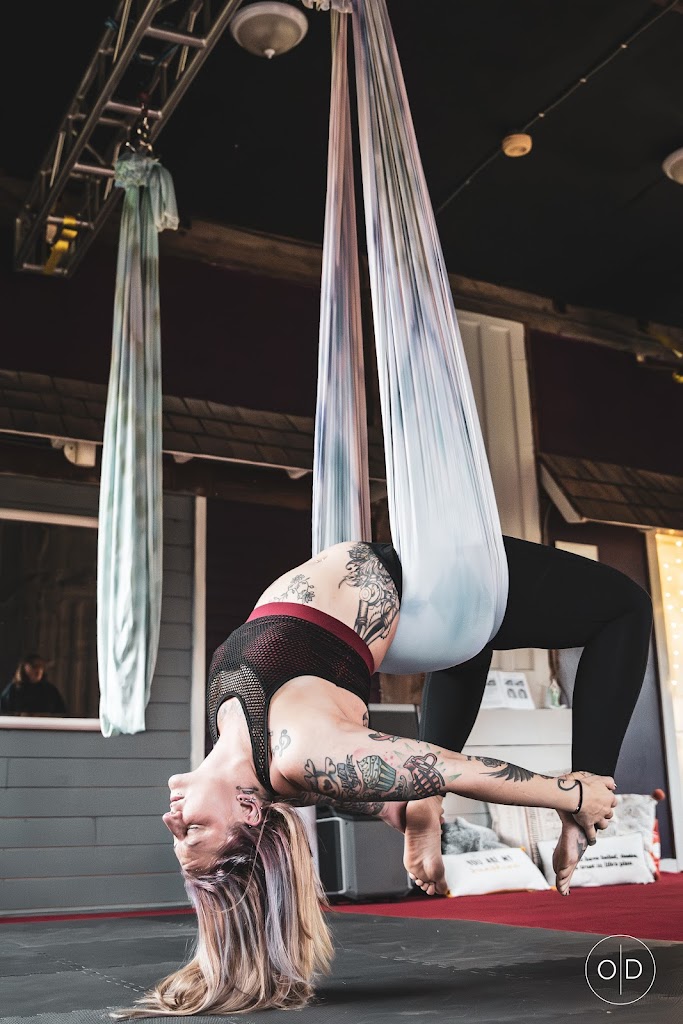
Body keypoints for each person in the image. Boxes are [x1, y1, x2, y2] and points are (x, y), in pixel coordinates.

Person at [113, 536, 650, 1018]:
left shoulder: (237, 746)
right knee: (624, 608)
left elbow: (381, 776)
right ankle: (570, 792)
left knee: (464, 655)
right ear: (248, 811)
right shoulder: (297, 753)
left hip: (427, 618)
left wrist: (403, 807)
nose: (171, 817)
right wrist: (573, 794)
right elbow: (454, 768)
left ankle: (413, 808)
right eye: (192, 832)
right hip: (422, 588)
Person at [0, 654, 67, 717]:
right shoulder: (13, 689)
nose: (38, 670)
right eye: (34, 666)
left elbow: (61, 713)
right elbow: (3, 713)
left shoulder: (50, 690)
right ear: (24, 667)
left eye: (41, 666)